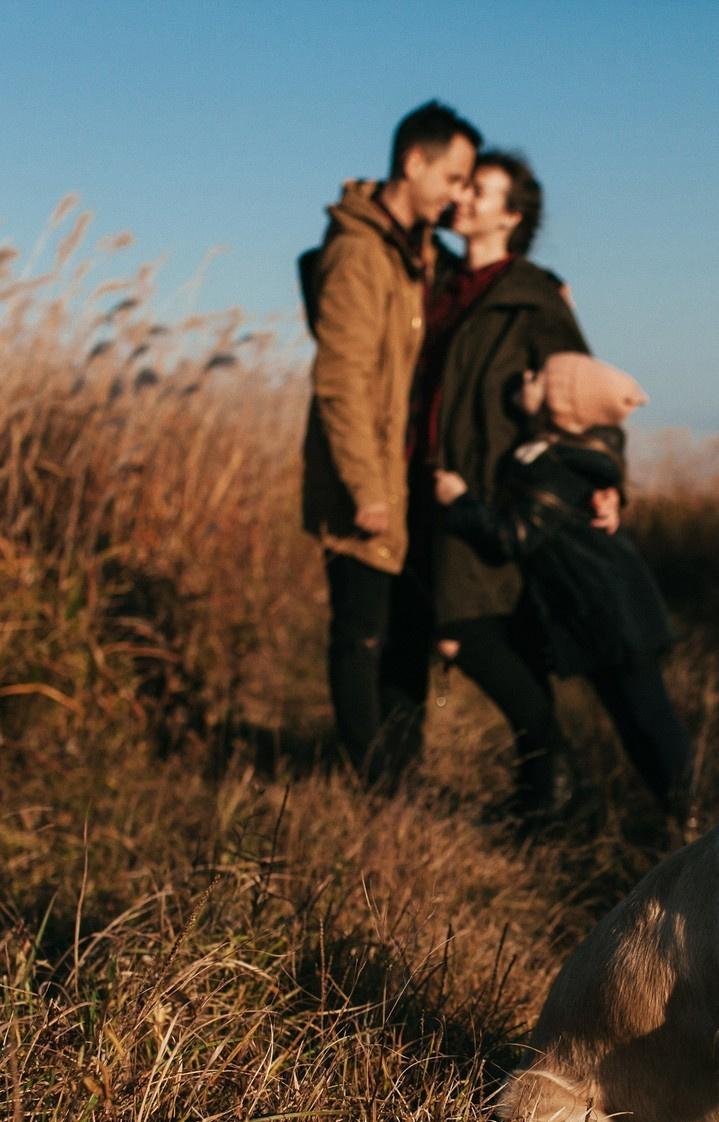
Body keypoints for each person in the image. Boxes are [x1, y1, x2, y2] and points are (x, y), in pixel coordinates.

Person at [299, 101, 479, 784]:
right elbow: (339, 378)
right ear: (414, 162)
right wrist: (364, 486)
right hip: (367, 478)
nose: (456, 195)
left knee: (408, 633)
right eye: (452, 177)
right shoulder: (358, 251)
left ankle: (403, 773)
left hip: (407, 478)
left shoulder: (416, 250)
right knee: (362, 634)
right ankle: (373, 783)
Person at [409, 150, 594, 816]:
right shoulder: (442, 281)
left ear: (512, 216)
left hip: (491, 489)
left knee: (467, 631)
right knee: (492, 632)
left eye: (480, 191)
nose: (463, 198)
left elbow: (583, 391)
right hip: (430, 482)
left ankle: (560, 771)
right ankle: (542, 790)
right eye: (462, 185)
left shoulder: (531, 294)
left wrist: (605, 478)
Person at [434, 352, 692, 818]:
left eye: (538, 376)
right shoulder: (548, 454)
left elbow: (515, 536)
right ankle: (676, 811)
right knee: (633, 721)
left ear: (560, 403)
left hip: (613, 615)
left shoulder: (560, 465)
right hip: (597, 612)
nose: (524, 375)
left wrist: (460, 501)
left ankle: (692, 813)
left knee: (648, 722)